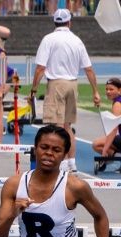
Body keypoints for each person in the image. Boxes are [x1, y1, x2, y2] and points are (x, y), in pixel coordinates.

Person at [30, 9, 102, 169]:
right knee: (67, 126)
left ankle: (60, 163)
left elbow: (40, 68)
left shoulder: (48, 39)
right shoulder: (77, 40)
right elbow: (89, 69)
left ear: (55, 22)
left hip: (56, 83)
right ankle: (71, 162)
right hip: (72, 84)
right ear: (69, 22)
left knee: (55, 126)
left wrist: (34, 89)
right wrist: (95, 91)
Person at [92, 78, 120, 173]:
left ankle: (115, 157)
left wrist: (105, 150)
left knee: (96, 144)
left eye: (111, 89)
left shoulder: (117, 104)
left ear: (119, 90)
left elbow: (114, 129)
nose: (108, 92)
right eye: (107, 89)